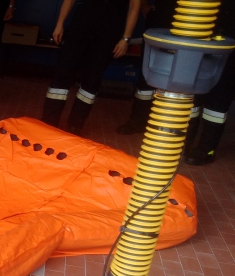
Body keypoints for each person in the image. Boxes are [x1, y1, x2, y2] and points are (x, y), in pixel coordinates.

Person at [41, 0, 141, 134]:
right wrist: (59, 24)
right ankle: (49, 121)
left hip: (109, 30)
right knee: (62, 72)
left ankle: (75, 125)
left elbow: (135, 6)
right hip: (82, 23)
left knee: (92, 79)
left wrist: (126, 39)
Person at [116, 0, 180, 135]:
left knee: (175, 77)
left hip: (183, 25)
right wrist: (144, 4)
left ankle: (165, 125)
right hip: (158, 21)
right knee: (146, 74)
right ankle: (137, 121)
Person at [185, 4, 235, 166]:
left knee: (217, 104)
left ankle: (206, 149)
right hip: (202, 41)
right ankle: (183, 143)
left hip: (231, 47)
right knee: (192, 98)